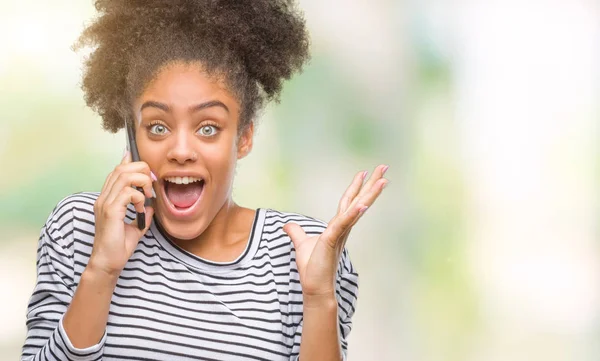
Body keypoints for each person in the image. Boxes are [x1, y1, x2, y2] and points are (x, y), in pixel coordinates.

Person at [21, 1, 388, 360]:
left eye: (208, 128)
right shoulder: (80, 228)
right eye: (158, 127)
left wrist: (320, 296)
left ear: (243, 138)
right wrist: (101, 270)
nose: (181, 150)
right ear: (132, 136)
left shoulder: (304, 254)